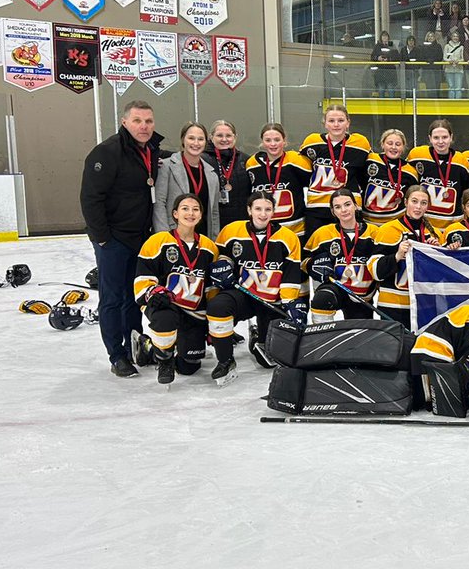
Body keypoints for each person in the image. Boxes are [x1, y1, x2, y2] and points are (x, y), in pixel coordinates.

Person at [80, 99, 162, 378]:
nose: (144, 126)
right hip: (113, 240)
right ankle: (117, 354)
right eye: (138, 120)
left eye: (149, 121)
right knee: (113, 298)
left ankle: (134, 345)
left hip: (141, 238)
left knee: (134, 297)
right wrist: (102, 239)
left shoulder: (152, 150)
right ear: (125, 122)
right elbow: (91, 198)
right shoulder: (106, 152)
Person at [208, 191, 304, 382]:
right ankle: (225, 360)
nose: (263, 214)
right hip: (243, 296)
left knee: (268, 360)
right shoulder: (231, 231)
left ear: (274, 211)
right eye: (258, 209)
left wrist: (290, 303)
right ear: (249, 210)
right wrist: (222, 268)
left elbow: (291, 275)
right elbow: (221, 258)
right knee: (218, 306)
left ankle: (258, 335)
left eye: (268, 209)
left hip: (272, 301)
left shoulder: (288, 237)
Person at [134, 193, 219, 384]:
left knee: (189, 366)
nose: (191, 213)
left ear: (201, 215)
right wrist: (153, 292)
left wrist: (212, 322)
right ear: (175, 214)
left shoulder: (209, 247)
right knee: (165, 318)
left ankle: (149, 346)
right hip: (165, 305)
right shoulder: (158, 241)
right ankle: (163, 359)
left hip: (193, 311)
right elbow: (143, 276)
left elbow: (210, 287)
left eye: (195, 209)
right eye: (185, 209)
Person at [368, 186, 444, 328]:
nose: (418, 207)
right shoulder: (388, 230)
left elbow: (441, 277)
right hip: (393, 306)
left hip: (425, 307)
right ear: (405, 202)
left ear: (428, 206)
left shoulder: (434, 234)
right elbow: (375, 271)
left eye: (423, 203)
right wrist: (397, 256)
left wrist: (437, 253)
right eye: (414, 201)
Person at [305, 188, 379, 323]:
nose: (343, 210)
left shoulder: (374, 232)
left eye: (347, 204)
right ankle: (324, 339)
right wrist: (314, 265)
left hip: (363, 296)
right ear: (333, 212)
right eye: (337, 207)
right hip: (336, 290)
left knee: (358, 337)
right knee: (322, 299)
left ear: (356, 206)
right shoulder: (322, 234)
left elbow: (383, 262)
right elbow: (304, 260)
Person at [299, 105, 372, 239]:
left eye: (341, 120)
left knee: (350, 247)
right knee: (316, 248)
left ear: (348, 123)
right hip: (317, 207)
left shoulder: (360, 143)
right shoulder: (311, 142)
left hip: (348, 207)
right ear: (325, 123)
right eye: (331, 121)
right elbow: (304, 171)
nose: (336, 124)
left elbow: (365, 173)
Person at [246, 123, 313, 241]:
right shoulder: (252, 164)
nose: (273, 144)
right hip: (265, 231)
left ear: (284, 141)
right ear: (262, 142)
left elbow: (313, 185)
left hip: (295, 231)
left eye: (277, 139)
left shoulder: (296, 161)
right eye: (268, 140)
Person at [153, 122, 220, 239]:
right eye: (191, 138)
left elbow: (214, 213)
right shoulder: (166, 166)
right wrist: (163, 237)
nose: (196, 143)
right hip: (173, 236)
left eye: (200, 139)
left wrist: (214, 241)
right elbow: (159, 203)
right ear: (183, 140)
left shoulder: (212, 174)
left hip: (202, 237)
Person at [407, 119, 469, 230]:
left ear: (451, 137)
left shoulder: (461, 161)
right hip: (423, 224)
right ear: (430, 138)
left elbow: (465, 192)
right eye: (436, 138)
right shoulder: (417, 155)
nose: (440, 141)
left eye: (445, 137)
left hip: (452, 225)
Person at [362, 128, 420, 225]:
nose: (393, 147)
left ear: (403, 147)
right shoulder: (370, 160)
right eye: (389, 143)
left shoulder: (410, 172)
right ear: (382, 144)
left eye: (398, 144)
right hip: (367, 221)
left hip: (393, 224)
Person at [205, 119, 251, 233]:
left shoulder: (246, 160)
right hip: (212, 223)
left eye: (228, 136)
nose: (224, 139)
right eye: (219, 135)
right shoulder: (202, 160)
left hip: (241, 222)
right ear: (211, 137)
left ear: (235, 137)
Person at [370, 31, 398, 97]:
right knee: (381, 89)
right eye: (383, 36)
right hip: (380, 72)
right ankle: (381, 105)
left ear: (388, 37)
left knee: (391, 89)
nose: (385, 38)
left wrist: (388, 59)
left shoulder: (392, 46)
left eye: (386, 36)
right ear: (381, 37)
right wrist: (378, 58)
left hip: (390, 73)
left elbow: (397, 57)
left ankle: (392, 105)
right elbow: (372, 57)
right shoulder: (377, 46)